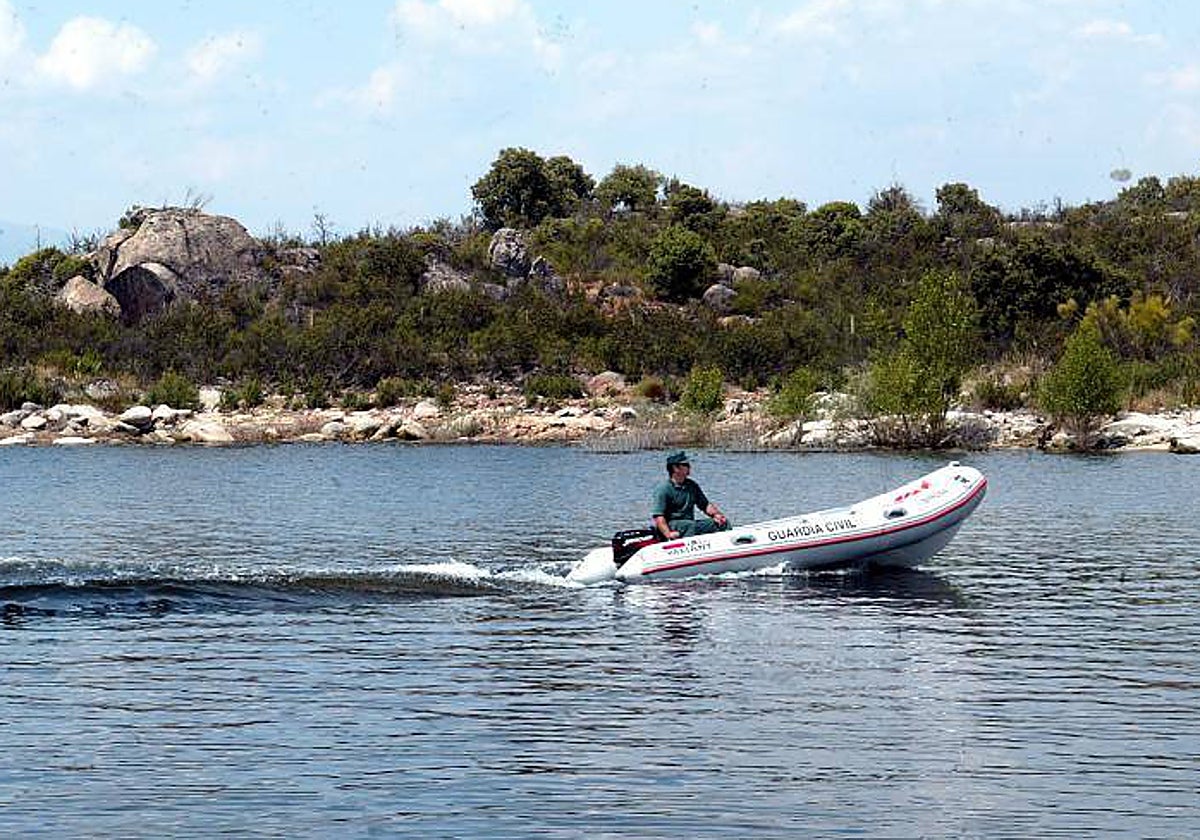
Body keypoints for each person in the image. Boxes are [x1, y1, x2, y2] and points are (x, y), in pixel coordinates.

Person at [651, 451, 730, 539]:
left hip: (689, 524)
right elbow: (658, 516)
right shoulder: (663, 489)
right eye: (685, 465)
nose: (689, 467)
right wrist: (668, 534)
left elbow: (705, 505)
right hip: (672, 525)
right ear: (675, 468)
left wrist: (716, 515)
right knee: (689, 525)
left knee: (723, 522)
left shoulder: (692, 485)